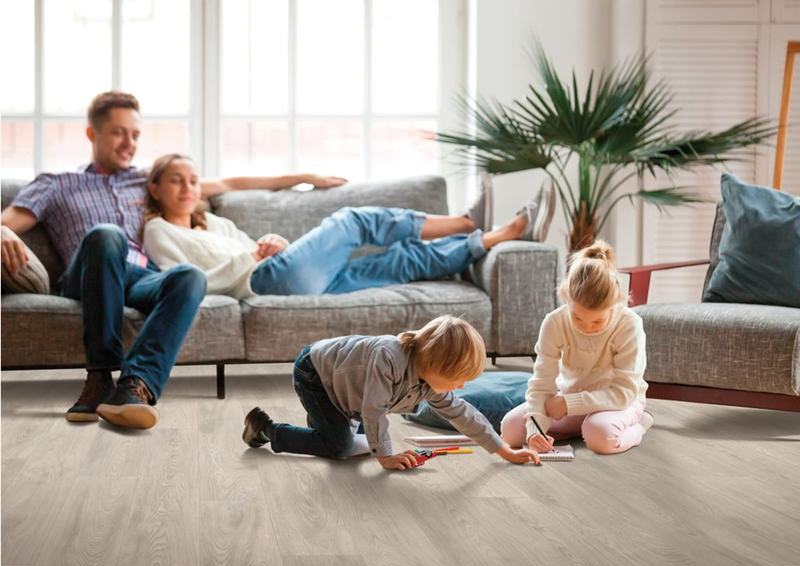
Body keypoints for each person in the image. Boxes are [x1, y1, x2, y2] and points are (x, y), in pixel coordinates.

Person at [0, 91, 345, 428]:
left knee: (189, 276)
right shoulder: (57, 183)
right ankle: (99, 376)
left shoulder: (146, 179)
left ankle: (137, 386)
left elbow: (229, 182)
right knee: (107, 234)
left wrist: (303, 177)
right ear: (93, 134)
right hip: (89, 275)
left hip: (139, 276)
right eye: (119, 132)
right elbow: (11, 220)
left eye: (135, 134)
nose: (129, 142)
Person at [141, 154, 541, 299]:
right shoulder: (158, 231)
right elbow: (181, 282)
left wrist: (271, 241)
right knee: (352, 220)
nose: (188, 188)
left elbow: (254, 245)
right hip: (265, 281)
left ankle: (491, 236)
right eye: (176, 180)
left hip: (285, 274)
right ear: (156, 189)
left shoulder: (214, 222)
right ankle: (465, 221)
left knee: (400, 262)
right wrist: (252, 256)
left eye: (193, 180)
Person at [242, 315, 541, 469]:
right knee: (341, 448)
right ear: (435, 365)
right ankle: (266, 429)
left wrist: (506, 452)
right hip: (316, 374)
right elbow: (373, 411)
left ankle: (325, 425)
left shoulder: (431, 383)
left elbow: (464, 414)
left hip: (349, 390)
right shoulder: (389, 357)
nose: (461, 387)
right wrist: (385, 456)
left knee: (354, 443)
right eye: (457, 379)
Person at [500, 241, 654, 455]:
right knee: (510, 430)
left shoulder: (630, 324)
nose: (587, 328)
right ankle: (582, 427)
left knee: (601, 438)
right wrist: (536, 430)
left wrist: (568, 404)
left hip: (619, 402)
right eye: (577, 318)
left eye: (597, 322)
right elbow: (541, 384)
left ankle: (637, 425)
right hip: (569, 398)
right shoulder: (554, 322)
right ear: (566, 296)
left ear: (616, 303)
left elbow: (623, 393)